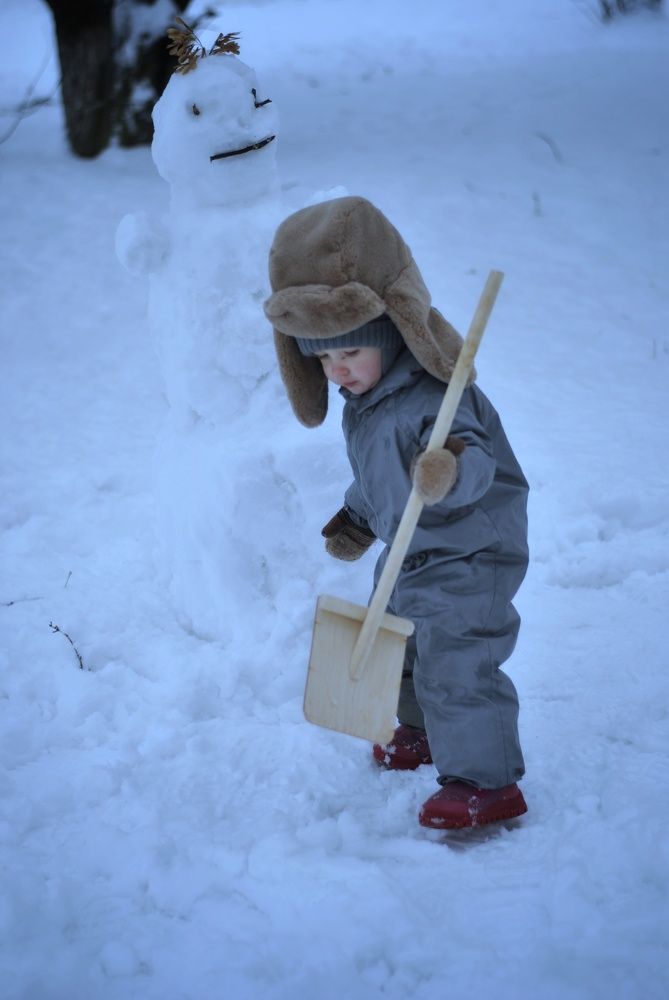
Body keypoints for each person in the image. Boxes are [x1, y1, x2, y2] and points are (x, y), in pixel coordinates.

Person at [263, 196, 529, 830]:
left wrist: (450, 472)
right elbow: (379, 480)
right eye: (322, 360)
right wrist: (357, 520)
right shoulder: (370, 402)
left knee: (456, 658)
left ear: (386, 336)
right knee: (403, 644)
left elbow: (476, 463)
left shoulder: (437, 399)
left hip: (471, 550)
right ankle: (422, 730)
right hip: (410, 550)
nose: (336, 371)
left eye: (348, 353)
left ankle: (484, 781)